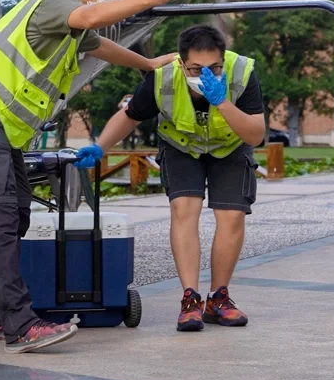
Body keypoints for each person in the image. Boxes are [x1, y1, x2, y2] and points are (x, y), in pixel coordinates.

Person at [0, 0, 179, 354]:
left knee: (15, 214)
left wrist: (149, 64)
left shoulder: (72, 23)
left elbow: (98, 45)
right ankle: (19, 326)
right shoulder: (57, 0)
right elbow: (89, 20)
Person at [83, 25, 265, 333]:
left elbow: (256, 134)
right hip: (181, 146)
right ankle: (190, 299)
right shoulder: (163, 76)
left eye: (214, 67)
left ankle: (218, 299)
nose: (205, 74)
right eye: (196, 68)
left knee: (232, 215)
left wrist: (222, 101)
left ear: (224, 60)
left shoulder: (242, 73)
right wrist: (99, 147)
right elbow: (130, 116)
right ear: (181, 62)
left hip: (231, 146)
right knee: (184, 209)